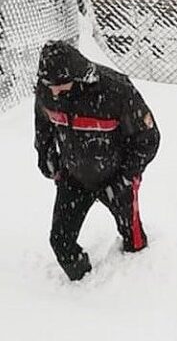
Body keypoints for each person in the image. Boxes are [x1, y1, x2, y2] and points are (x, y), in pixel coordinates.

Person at [35, 40, 160, 280]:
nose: (54, 91)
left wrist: (126, 177)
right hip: (74, 176)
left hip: (116, 176)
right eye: (49, 85)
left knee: (134, 243)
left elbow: (149, 138)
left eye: (60, 85)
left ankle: (135, 284)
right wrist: (48, 159)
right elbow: (43, 127)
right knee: (60, 241)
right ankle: (83, 286)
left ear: (77, 75)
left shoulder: (116, 91)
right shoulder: (47, 89)